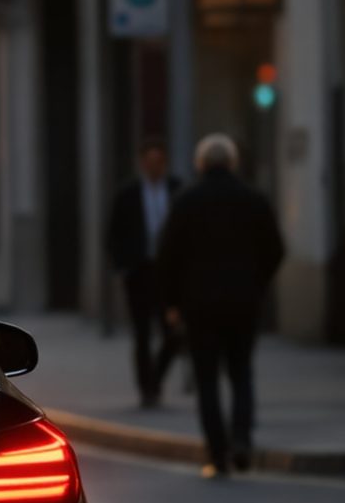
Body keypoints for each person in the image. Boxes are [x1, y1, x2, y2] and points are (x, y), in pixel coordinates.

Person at [155, 133, 286, 477]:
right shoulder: (253, 199)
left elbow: (167, 256)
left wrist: (172, 302)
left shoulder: (186, 201)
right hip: (244, 302)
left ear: (200, 164)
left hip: (200, 306)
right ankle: (241, 439)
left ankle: (218, 453)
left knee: (208, 379)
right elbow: (275, 248)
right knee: (242, 373)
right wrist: (257, 283)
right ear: (232, 162)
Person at [103, 137, 183, 406]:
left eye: (158, 162)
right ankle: (147, 389)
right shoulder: (128, 194)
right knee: (142, 334)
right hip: (139, 271)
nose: (154, 168)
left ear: (165, 164)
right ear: (142, 164)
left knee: (174, 332)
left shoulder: (177, 190)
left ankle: (156, 377)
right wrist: (122, 265)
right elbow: (114, 233)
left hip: (169, 272)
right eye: (149, 162)